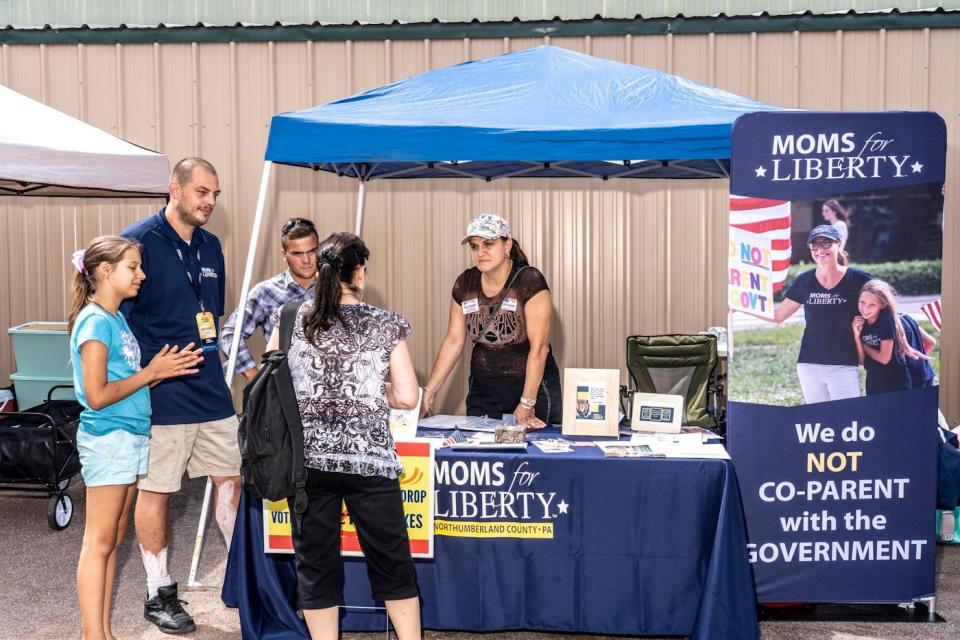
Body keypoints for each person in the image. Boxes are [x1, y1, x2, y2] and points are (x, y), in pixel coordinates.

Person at [265, 232, 421, 640]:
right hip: (370, 462)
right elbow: (407, 396)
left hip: (308, 465)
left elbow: (277, 385)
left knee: (315, 566)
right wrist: (374, 388)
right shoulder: (385, 323)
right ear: (360, 272)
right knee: (392, 561)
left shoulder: (290, 318)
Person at [120, 158, 241, 634]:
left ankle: (242, 576)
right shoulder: (139, 242)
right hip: (163, 393)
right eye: (201, 192)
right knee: (159, 491)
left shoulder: (212, 246)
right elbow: (115, 319)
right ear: (174, 189)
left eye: (215, 194)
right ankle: (159, 591)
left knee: (230, 480)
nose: (209, 202)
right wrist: (148, 371)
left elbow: (213, 313)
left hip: (211, 389)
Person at [68, 236, 202, 640]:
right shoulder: (94, 322)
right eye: (133, 267)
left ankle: (103, 632)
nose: (141, 274)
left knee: (114, 539)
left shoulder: (115, 319)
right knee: (99, 541)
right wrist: (152, 373)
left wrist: (159, 370)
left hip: (128, 438)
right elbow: (97, 395)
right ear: (105, 271)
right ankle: (95, 634)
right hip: (109, 440)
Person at [421, 213, 561, 428]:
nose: (480, 253)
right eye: (474, 247)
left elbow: (540, 348)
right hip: (484, 392)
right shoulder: (465, 283)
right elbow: (454, 341)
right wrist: (429, 392)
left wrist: (527, 402)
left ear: (507, 245)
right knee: (481, 454)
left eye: (488, 244)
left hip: (529, 391)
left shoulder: (529, 281)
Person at [770, 225, 871, 403]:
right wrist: (739, 306)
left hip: (843, 363)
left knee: (848, 420)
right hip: (809, 364)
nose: (820, 250)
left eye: (826, 243)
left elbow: (885, 306)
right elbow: (778, 316)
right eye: (814, 245)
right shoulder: (804, 280)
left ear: (838, 244)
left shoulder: (858, 279)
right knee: (818, 422)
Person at [221, 217, 319, 380]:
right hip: (285, 392)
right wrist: (256, 380)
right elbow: (230, 334)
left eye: (311, 251)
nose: (306, 260)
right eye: (297, 253)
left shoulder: (335, 289)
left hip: (328, 393)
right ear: (284, 254)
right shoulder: (265, 292)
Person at [851, 279, 912, 396]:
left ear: (882, 305)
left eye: (872, 305)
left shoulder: (886, 322)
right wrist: (856, 335)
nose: (865, 308)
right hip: (874, 381)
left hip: (896, 383)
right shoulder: (860, 323)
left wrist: (863, 344)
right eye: (862, 302)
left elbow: (884, 358)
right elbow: (861, 361)